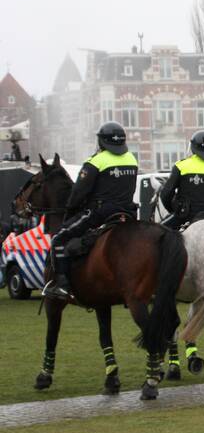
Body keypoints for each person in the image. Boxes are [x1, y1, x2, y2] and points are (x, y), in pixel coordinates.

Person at [43, 122, 139, 301]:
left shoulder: (96, 161)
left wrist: (70, 210)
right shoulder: (132, 159)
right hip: (128, 213)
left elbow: (78, 193)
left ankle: (62, 285)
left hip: (100, 212)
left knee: (59, 238)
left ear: (102, 142)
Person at [159, 130, 204, 230]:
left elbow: (166, 194)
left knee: (159, 236)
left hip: (185, 216)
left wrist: (175, 210)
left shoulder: (181, 166)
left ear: (193, 147)